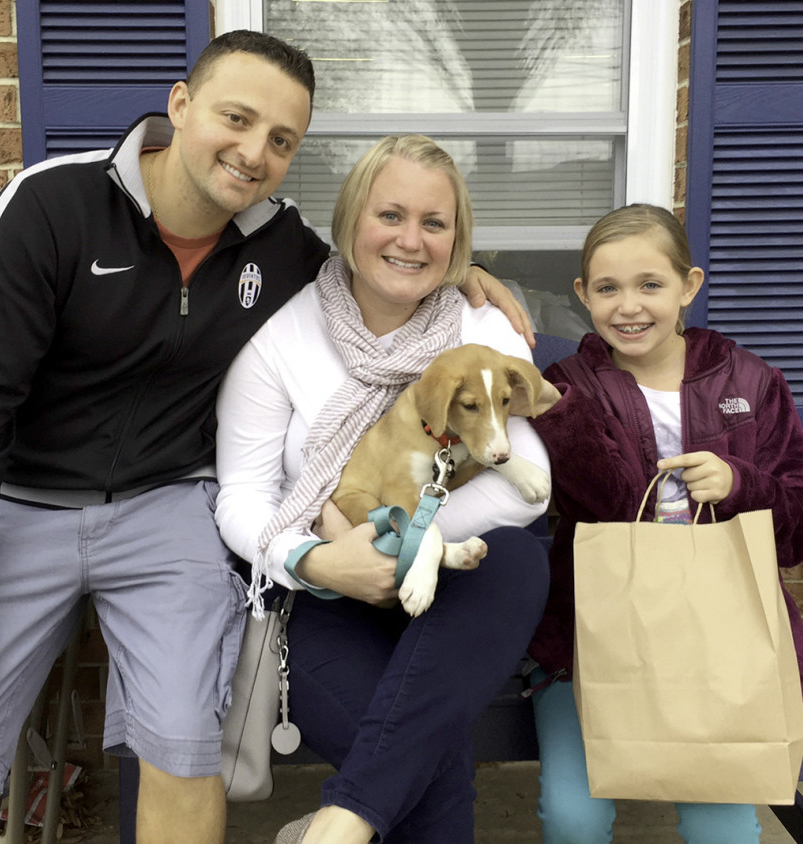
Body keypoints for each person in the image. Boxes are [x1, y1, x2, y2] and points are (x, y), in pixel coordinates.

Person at [0, 32, 531, 844]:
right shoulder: (52, 205)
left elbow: (381, 265)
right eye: (237, 118)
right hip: (18, 504)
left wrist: (468, 277)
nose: (254, 152)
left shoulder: (281, 248)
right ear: (180, 105)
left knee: (185, 745)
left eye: (281, 139)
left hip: (169, 507)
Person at [214, 134, 553, 844]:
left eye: (435, 223)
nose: (411, 240)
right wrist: (316, 557)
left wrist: (404, 542)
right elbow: (241, 499)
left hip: (454, 597)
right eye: (390, 215)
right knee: (428, 753)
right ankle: (339, 825)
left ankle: (336, 825)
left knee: (519, 559)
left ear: (457, 239)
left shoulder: (483, 329)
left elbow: (525, 489)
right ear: (349, 221)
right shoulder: (282, 339)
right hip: (323, 601)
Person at [526, 203, 803, 843]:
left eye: (650, 285)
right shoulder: (570, 385)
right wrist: (560, 416)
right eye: (607, 288)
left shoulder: (753, 382)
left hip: (721, 645)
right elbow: (605, 501)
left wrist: (740, 484)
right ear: (583, 295)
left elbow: (799, 533)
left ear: (689, 285)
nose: (628, 306)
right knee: (574, 818)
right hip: (591, 639)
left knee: (725, 829)